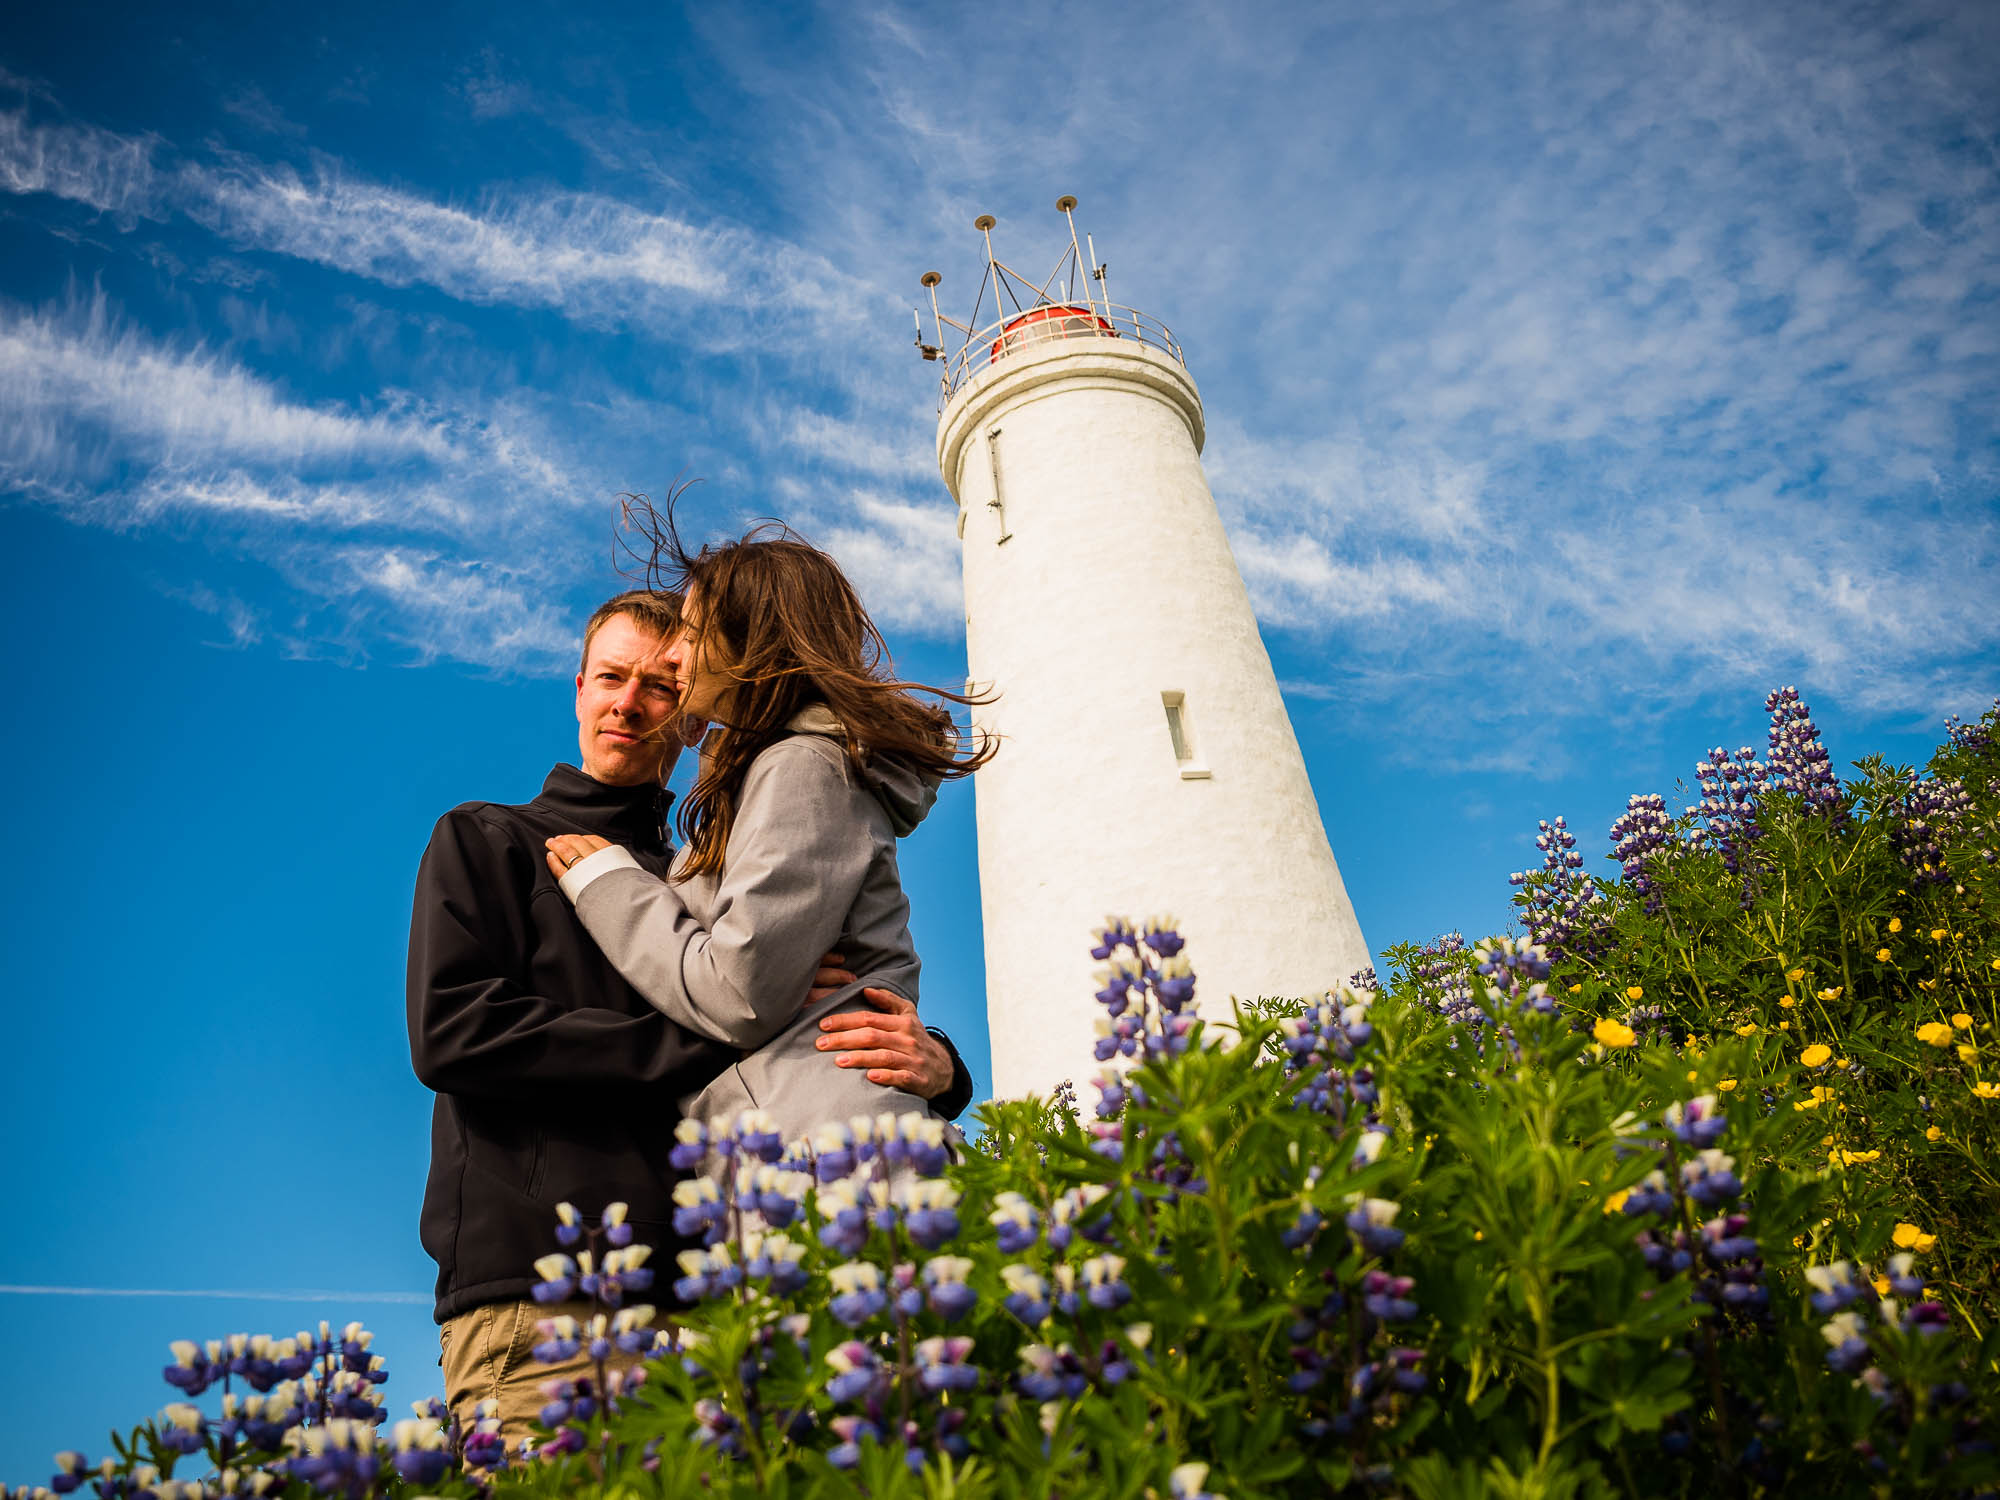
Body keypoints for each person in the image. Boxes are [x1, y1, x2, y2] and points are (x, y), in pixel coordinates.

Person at [406, 588, 975, 1448]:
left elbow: (829, 1002)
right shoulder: (491, 838)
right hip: (540, 1290)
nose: (628, 703)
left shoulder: (715, 874)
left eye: (659, 686)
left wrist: (941, 1064)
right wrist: (711, 1028)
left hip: (722, 1301)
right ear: (578, 687)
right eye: (609, 677)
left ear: (698, 706)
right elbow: (455, 1031)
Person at [544, 509, 994, 1147]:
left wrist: (611, 883)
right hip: (804, 1130)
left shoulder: (805, 767)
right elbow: (752, 979)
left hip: (829, 1148)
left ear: (752, 645)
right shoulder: (770, 772)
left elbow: (739, 993)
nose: (673, 655)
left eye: (692, 635)